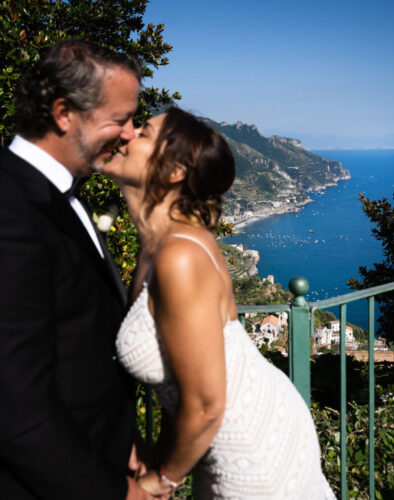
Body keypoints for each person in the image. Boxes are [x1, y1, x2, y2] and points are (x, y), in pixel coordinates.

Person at [107, 107, 336, 499]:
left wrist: (162, 480)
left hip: (252, 448)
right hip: (236, 435)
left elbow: (208, 404)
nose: (126, 135)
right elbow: (180, 379)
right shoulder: (160, 246)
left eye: (143, 133)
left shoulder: (180, 254)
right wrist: (160, 458)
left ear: (176, 171)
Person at [0, 40, 153, 499]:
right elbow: (17, 406)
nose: (130, 134)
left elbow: (78, 343)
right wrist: (117, 494)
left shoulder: (58, 191)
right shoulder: (10, 211)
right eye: (120, 119)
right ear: (64, 113)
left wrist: (122, 438)